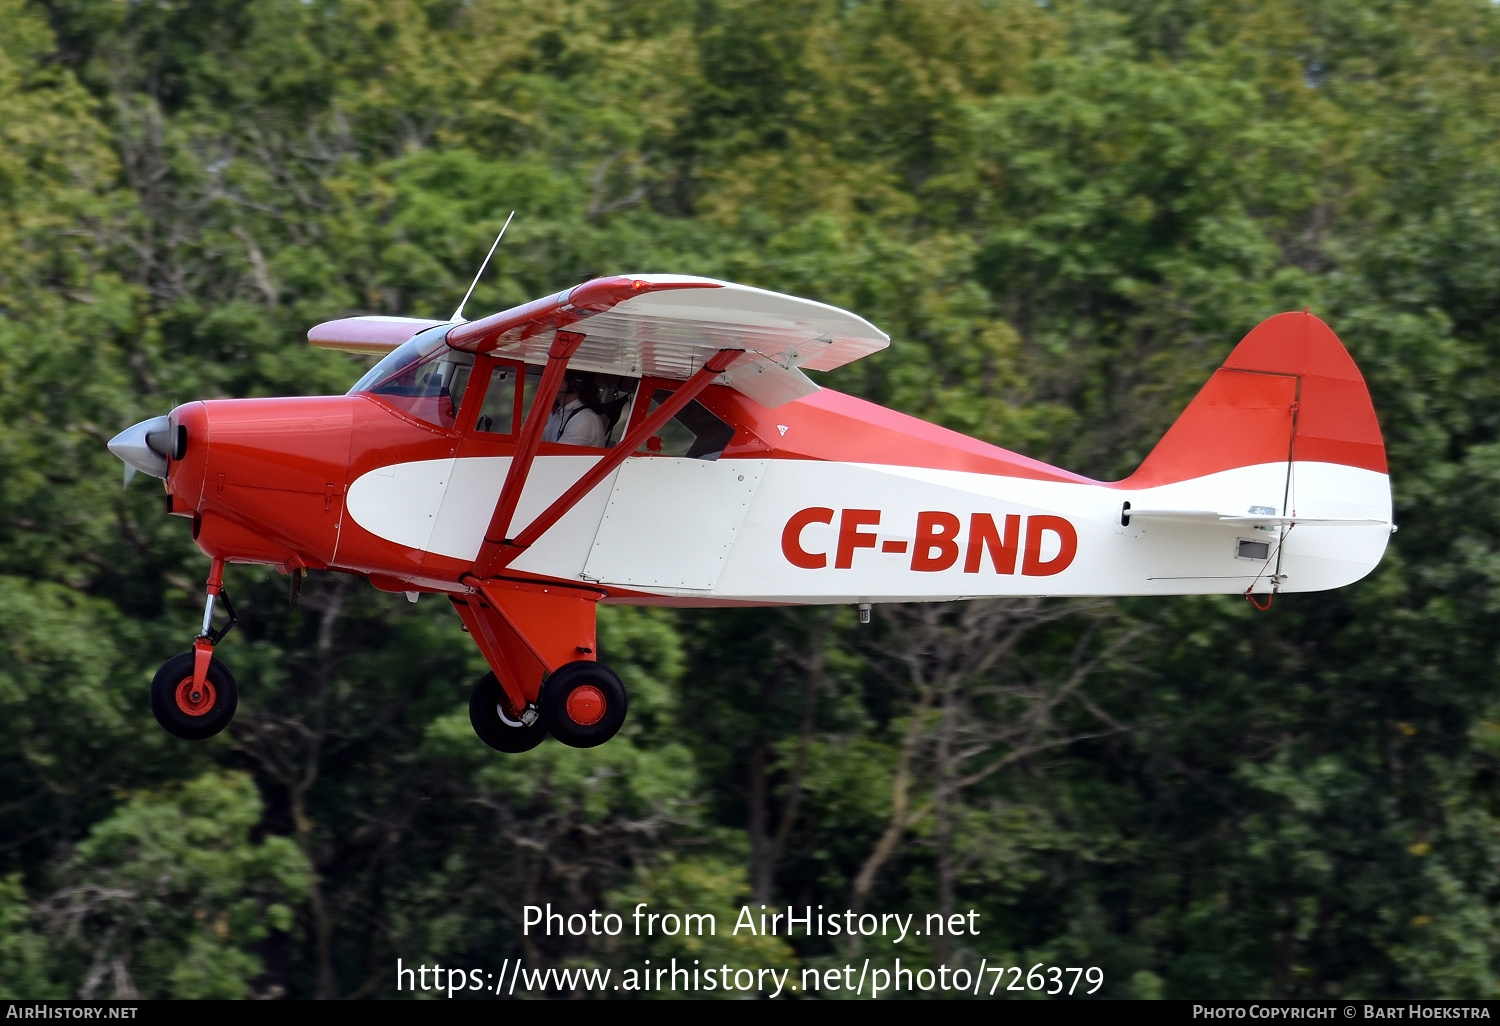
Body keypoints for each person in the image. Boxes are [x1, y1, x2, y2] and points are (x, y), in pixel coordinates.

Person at [542, 371, 607, 447]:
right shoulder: (559, 413)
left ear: (575, 384)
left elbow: (560, 455)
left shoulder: (585, 418)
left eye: (557, 378)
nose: (550, 383)